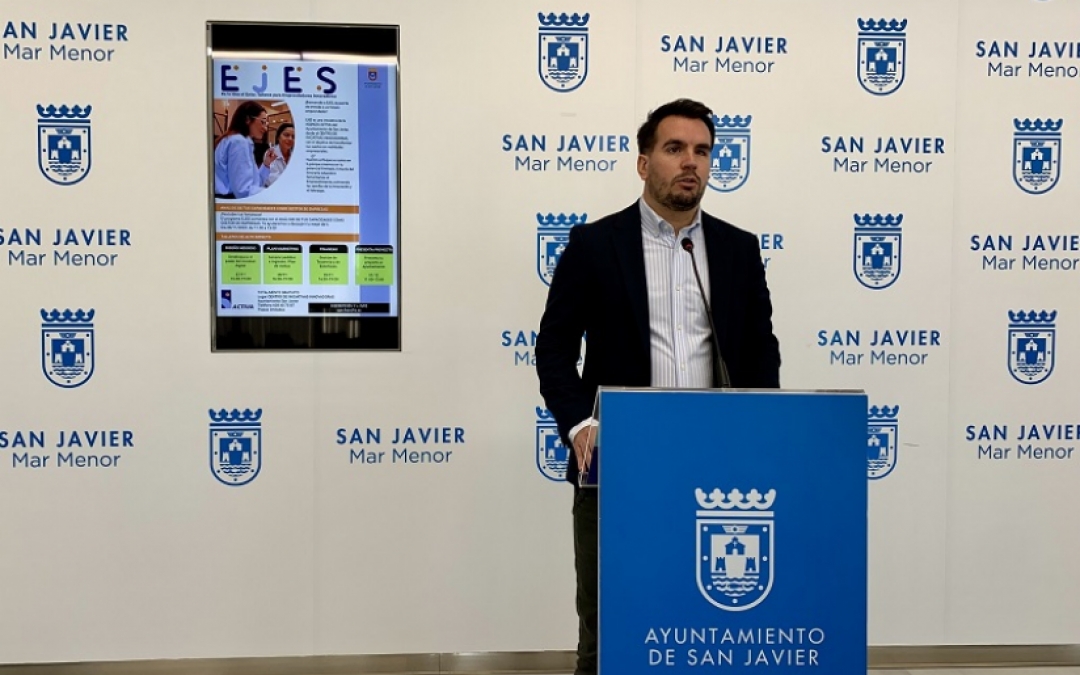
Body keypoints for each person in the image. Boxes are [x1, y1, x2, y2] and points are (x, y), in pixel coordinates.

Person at [534, 98, 781, 675]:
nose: (690, 162)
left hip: (716, 466)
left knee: (704, 627)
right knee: (609, 633)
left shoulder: (738, 249)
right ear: (644, 163)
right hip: (617, 464)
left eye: (702, 151)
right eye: (674, 149)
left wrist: (763, 428)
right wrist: (581, 425)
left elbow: (760, 352)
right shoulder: (595, 245)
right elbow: (553, 349)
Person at [213, 100, 276, 199]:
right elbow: (243, 191)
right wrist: (275, 193)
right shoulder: (239, 142)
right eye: (262, 122)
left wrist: (266, 164)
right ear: (247, 119)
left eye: (266, 123)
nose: (265, 128)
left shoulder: (240, 141)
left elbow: (255, 183)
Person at [264, 122, 294, 187]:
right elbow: (272, 179)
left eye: (293, 137)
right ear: (278, 137)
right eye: (286, 135)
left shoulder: (295, 155)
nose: (290, 139)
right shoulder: (271, 153)